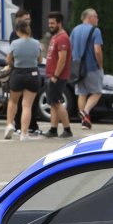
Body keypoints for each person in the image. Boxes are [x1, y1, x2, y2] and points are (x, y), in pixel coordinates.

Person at [3, 18, 43, 140]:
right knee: (27, 106)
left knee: (13, 101)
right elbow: (40, 60)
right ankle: (24, 133)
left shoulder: (15, 43)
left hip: (18, 73)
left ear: (17, 31)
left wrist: (14, 63)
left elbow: (8, 60)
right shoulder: (37, 43)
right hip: (33, 74)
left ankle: (10, 124)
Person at [69, 8, 105, 129]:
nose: (97, 19)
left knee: (82, 93)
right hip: (91, 67)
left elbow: (70, 48)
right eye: (96, 17)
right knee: (97, 92)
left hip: (77, 67)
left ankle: (84, 121)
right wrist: (100, 65)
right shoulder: (96, 31)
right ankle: (86, 112)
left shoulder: (75, 30)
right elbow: (97, 50)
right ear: (89, 17)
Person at [43, 11, 74, 140]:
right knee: (53, 103)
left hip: (57, 76)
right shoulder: (55, 36)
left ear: (59, 23)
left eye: (53, 23)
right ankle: (53, 129)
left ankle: (67, 129)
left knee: (57, 102)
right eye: (49, 23)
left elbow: (62, 59)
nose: (50, 25)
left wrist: (55, 75)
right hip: (51, 75)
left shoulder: (62, 38)